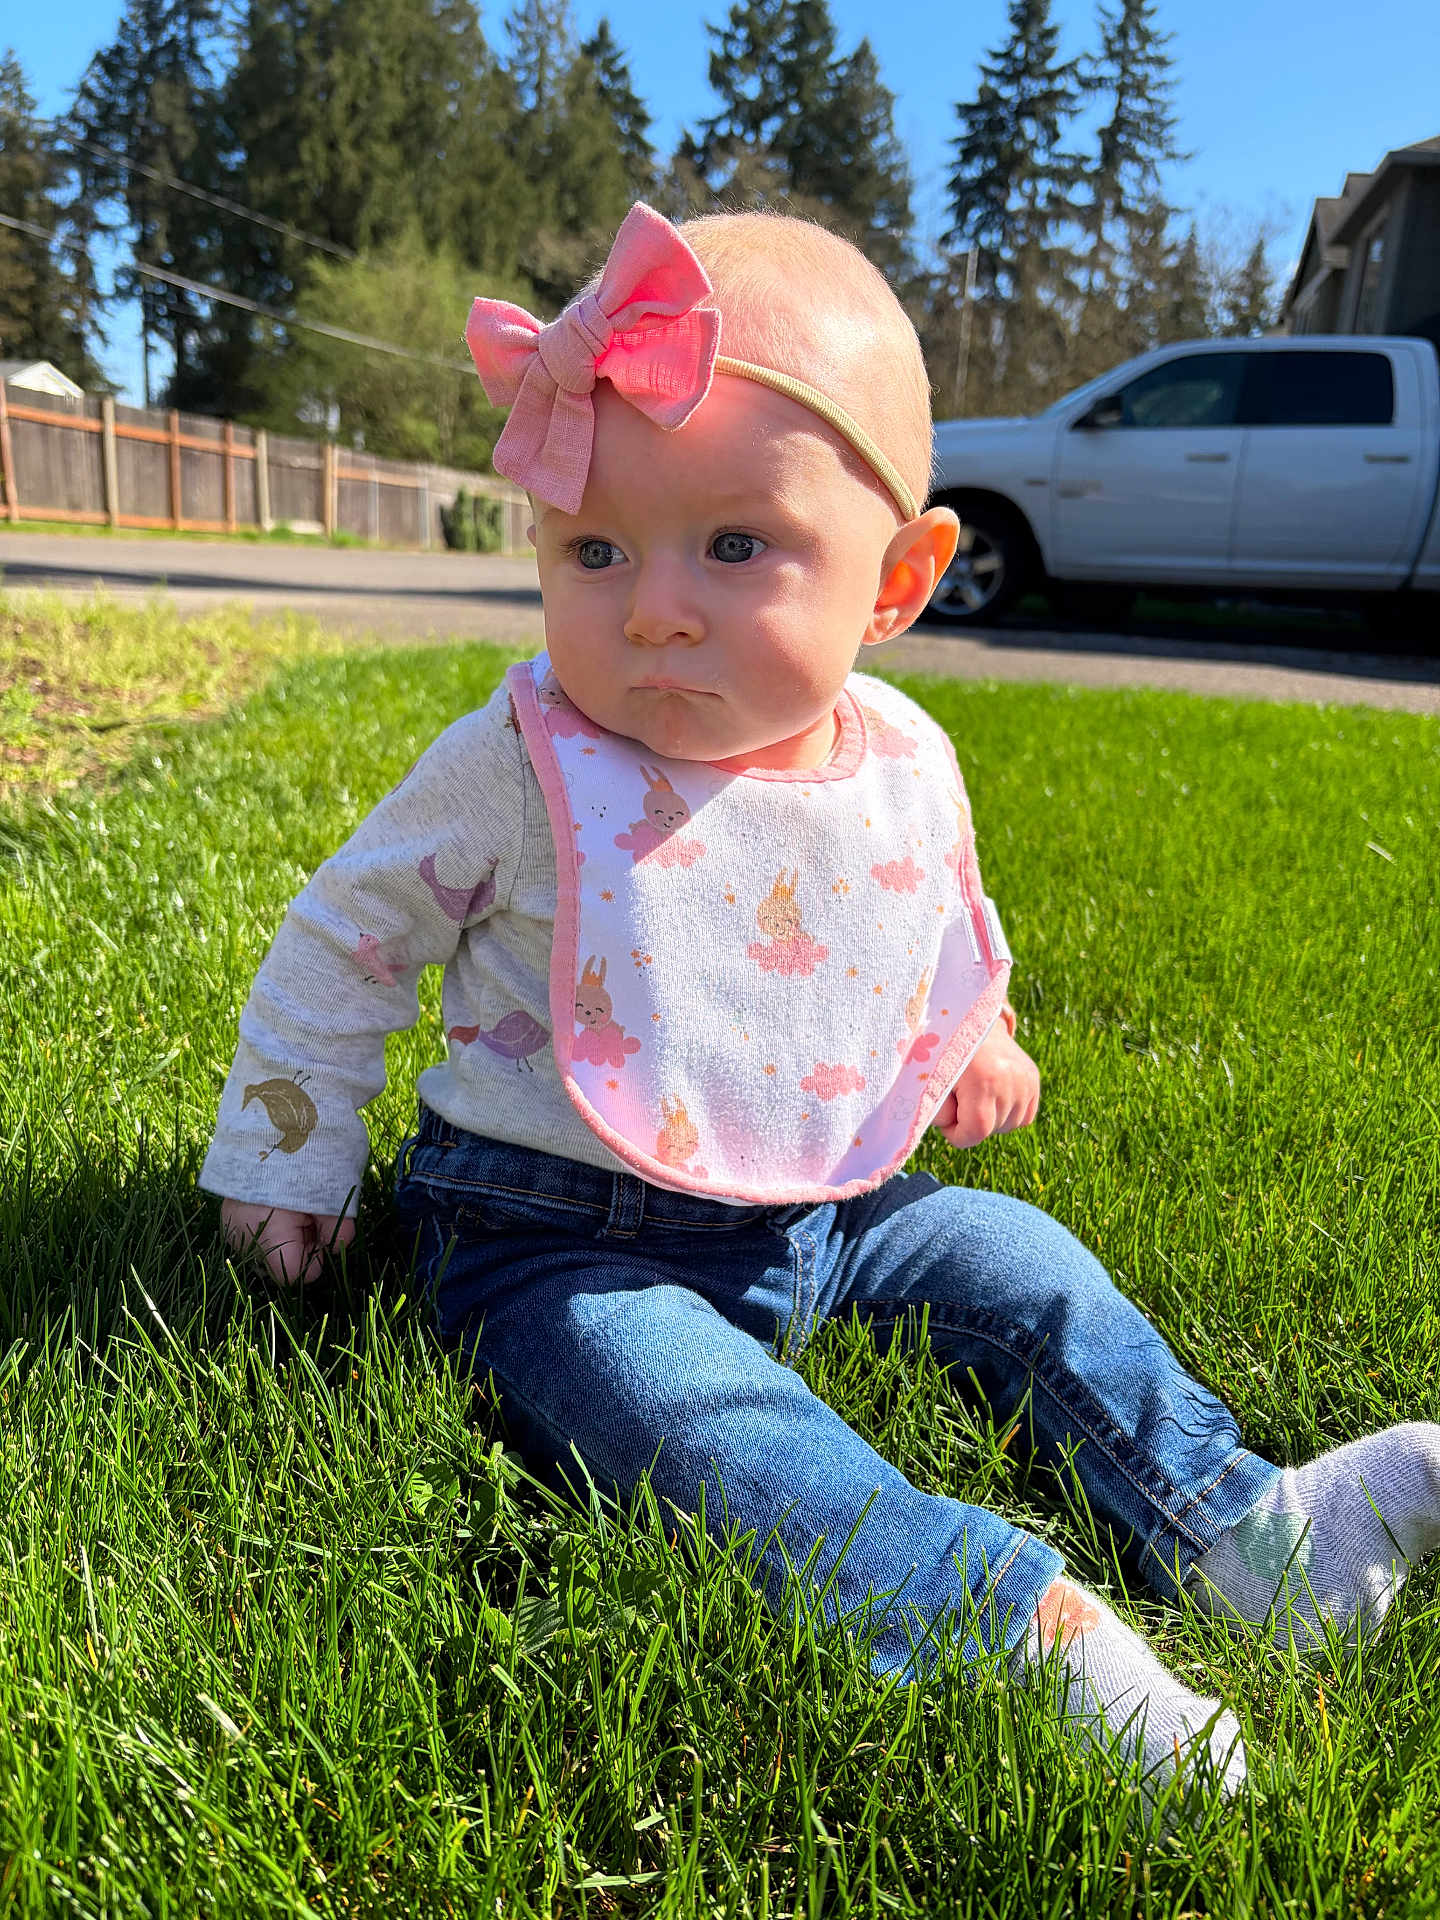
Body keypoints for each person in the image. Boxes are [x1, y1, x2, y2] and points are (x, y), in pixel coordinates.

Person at [202, 203, 1440, 1806]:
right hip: (551, 1232)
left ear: (899, 580)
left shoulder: (899, 757)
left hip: (832, 1200)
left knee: (1024, 1261)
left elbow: (929, 914)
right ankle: (1003, 1624)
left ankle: (1248, 1528)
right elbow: (340, 947)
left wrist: (974, 1033)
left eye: (734, 547)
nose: (652, 606)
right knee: (690, 1415)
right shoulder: (520, 765)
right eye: (596, 549)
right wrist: (282, 1162)